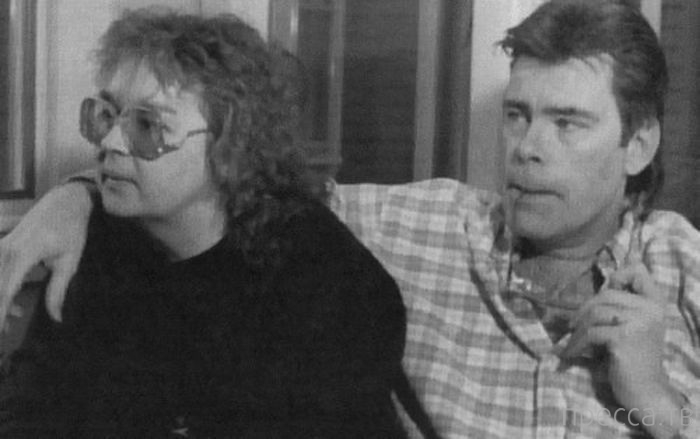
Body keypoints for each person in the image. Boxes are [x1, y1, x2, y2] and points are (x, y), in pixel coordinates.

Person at [1, 0, 699, 437]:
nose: (529, 148)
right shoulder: (435, 226)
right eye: (518, 115)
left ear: (639, 144)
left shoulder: (685, 269)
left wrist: (653, 405)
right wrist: (76, 196)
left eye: (568, 123)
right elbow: (237, 190)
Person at [0, 9, 408, 438]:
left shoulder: (327, 280)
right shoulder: (98, 240)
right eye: (107, 115)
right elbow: (30, 408)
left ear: (230, 147)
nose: (111, 142)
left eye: (148, 125)